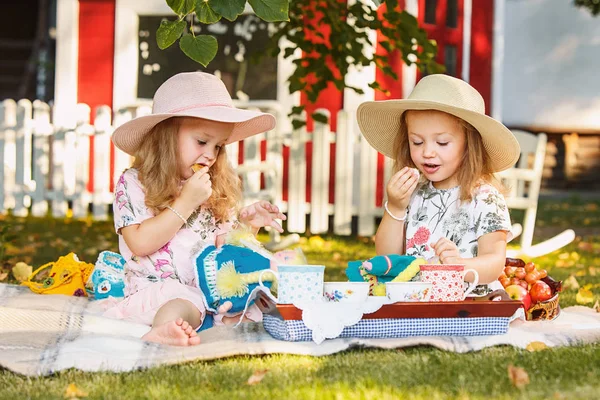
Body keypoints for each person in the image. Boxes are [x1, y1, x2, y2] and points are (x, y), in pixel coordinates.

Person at [104, 71, 286, 346]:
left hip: (205, 293)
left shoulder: (212, 186)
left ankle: (223, 325)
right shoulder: (134, 183)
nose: (211, 155)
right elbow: (139, 243)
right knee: (182, 299)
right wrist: (186, 202)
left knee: (251, 301)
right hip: (152, 293)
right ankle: (165, 329)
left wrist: (249, 226)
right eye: (202, 142)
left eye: (218, 146)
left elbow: (223, 251)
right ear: (165, 137)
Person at [356, 74, 521, 294]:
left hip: (469, 304)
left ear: (469, 145)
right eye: (417, 141)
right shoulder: (414, 193)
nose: (427, 152)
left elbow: (494, 263)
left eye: (442, 142)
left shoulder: (485, 198)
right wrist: (394, 208)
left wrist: (460, 265)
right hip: (415, 301)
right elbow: (387, 258)